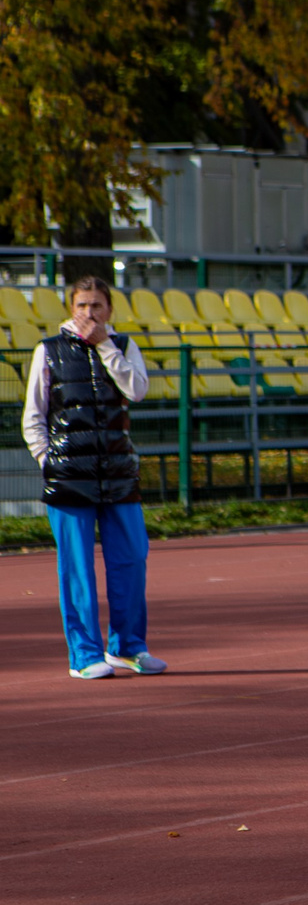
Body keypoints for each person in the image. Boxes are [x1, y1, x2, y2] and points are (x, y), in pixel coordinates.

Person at [22, 277, 163, 678]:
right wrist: (48, 460)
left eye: (97, 305)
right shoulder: (48, 350)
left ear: (109, 309)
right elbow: (33, 415)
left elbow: (136, 390)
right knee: (77, 569)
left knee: (132, 560)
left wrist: (105, 346)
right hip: (69, 478)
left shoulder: (123, 347)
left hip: (119, 475)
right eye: (82, 305)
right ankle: (84, 656)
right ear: (71, 308)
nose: (89, 312)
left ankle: (129, 648)